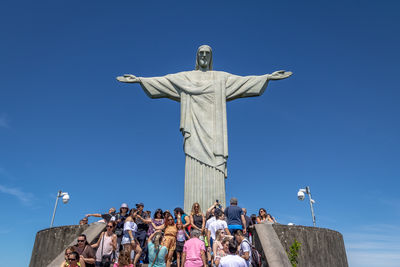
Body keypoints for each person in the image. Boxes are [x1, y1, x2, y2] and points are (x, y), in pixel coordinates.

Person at [117, 45, 292, 213]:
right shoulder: (185, 78)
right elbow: (164, 81)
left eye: (206, 54)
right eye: (200, 53)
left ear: (210, 58)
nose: (203, 56)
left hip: (214, 132)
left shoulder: (220, 78)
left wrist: (267, 77)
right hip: (194, 129)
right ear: (196, 57)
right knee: (192, 161)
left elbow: (243, 82)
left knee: (215, 163)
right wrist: (140, 80)